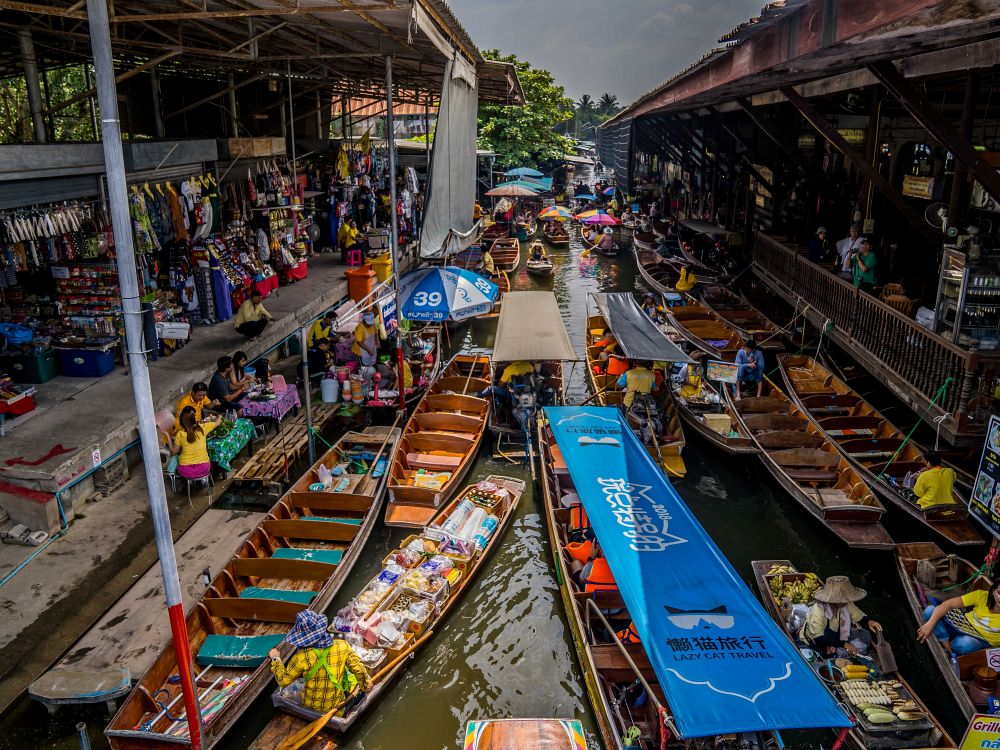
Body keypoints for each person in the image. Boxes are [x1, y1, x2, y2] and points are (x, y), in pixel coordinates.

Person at [268, 610, 371, 714]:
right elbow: (359, 670)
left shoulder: (300, 657)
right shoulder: (342, 646)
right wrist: (365, 686)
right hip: (335, 707)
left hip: (309, 706)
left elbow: (283, 681)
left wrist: (276, 659)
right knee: (361, 691)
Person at [803, 576, 883, 657]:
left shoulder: (845, 604)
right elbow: (818, 638)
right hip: (817, 640)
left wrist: (869, 621)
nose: (848, 601)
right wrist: (844, 644)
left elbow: (859, 617)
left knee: (865, 635)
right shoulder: (818, 610)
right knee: (840, 653)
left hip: (837, 635)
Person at [918, 579, 1000, 655]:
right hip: (963, 624)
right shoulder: (981, 595)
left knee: (961, 644)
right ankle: (946, 644)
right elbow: (948, 604)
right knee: (930, 610)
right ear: (993, 591)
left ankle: (951, 647)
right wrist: (929, 625)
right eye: (999, 593)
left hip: (981, 640)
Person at [164, 406, 220, 480]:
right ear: (194, 419)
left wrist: (167, 435)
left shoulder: (180, 434)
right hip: (204, 469)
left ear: (181, 421)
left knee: (175, 457)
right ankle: (201, 481)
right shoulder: (202, 427)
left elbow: (173, 452)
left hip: (186, 471)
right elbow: (217, 423)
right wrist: (220, 417)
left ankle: (172, 474)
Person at [352, 310, 382, 376]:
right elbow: (359, 341)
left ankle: (371, 377)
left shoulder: (372, 325)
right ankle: (363, 380)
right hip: (360, 350)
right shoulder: (359, 328)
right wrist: (368, 350)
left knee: (371, 365)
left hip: (370, 347)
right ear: (364, 321)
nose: (369, 325)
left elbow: (376, 333)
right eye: (368, 323)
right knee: (362, 369)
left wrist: (377, 341)